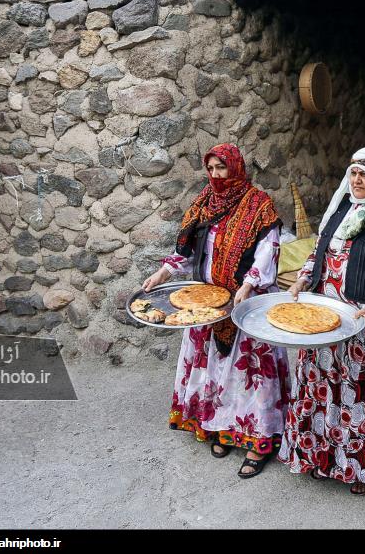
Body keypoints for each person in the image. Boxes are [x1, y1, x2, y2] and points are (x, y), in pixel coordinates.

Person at [279, 147, 365, 495]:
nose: (357, 181)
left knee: (362, 395)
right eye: (354, 174)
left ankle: (364, 469)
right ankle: (322, 458)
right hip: (327, 319)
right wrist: (302, 278)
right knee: (323, 388)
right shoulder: (341, 208)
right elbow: (319, 250)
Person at [142, 143, 288, 479]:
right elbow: (188, 250)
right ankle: (222, 429)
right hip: (208, 303)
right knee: (216, 373)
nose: (216, 175)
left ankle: (259, 441)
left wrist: (248, 286)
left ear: (235, 167)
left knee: (251, 375)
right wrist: (163, 273)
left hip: (245, 304)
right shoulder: (204, 202)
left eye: (221, 168)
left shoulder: (258, 205)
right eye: (210, 169)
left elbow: (269, 249)